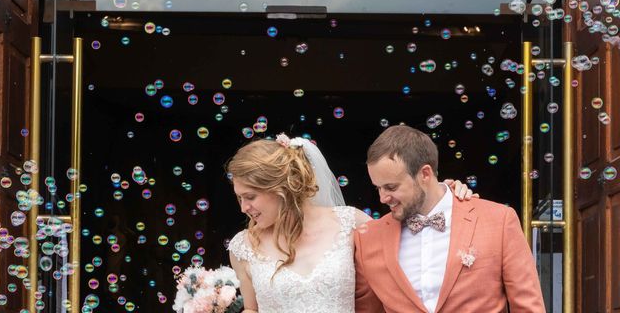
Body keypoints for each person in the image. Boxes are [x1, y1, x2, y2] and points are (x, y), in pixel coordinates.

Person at [226, 133, 474, 313]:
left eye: (250, 197)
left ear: (281, 188)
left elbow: (415, 231)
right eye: (239, 198)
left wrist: (444, 195)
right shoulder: (243, 247)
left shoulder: (348, 222)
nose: (243, 208)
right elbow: (252, 309)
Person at [354, 125, 546, 313]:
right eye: (378, 188)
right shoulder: (367, 240)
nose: (382, 198)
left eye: (391, 187)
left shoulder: (499, 221)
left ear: (425, 174)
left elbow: (529, 307)